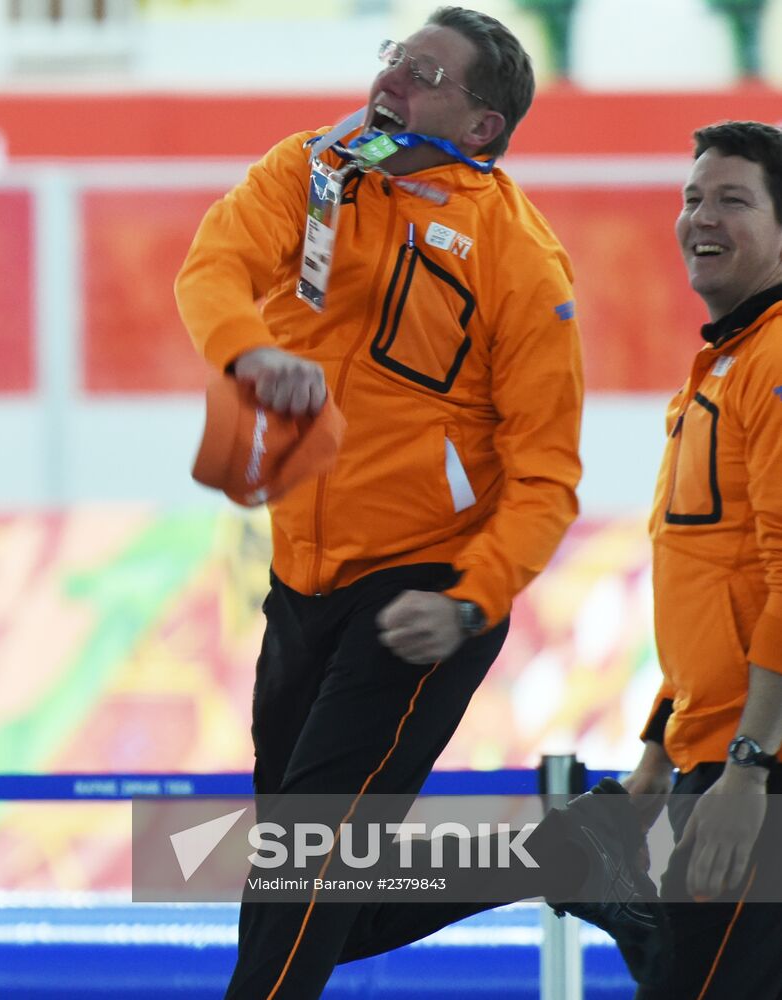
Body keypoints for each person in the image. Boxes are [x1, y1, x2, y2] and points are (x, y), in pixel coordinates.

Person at [176, 7, 601, 997]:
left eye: (426, 74)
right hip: (302, 576)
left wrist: (468, 598)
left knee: (306, 870)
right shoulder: (315, 169)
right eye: (395, 59)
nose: (394, 82)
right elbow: (216, 265)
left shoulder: (520, 256)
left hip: (423, 594)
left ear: (482, 124)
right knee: (300, 877)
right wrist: (249, 350)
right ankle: (565, 851)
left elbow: (548, 474)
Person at [618, 119, 782, 1000]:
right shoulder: (722, 365)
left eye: (732, 199)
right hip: (716, 761)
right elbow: (716, 578)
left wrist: (752, 766)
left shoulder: (774, 360)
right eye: (691, 198)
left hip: (755, 776)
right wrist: (658, 745)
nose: (700, 217)